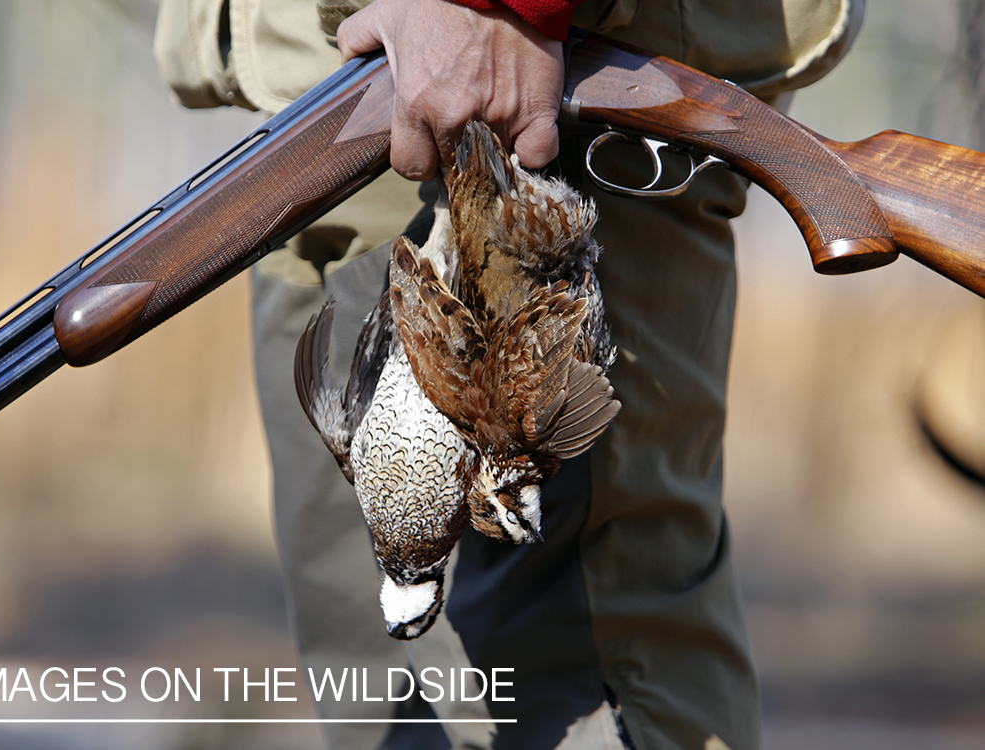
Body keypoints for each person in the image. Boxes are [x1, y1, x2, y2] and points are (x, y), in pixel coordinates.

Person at [154, 1, 865, 748]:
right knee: (390, 705)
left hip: (513, 65)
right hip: (343, 96)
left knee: (566, 679)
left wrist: (495, 10)